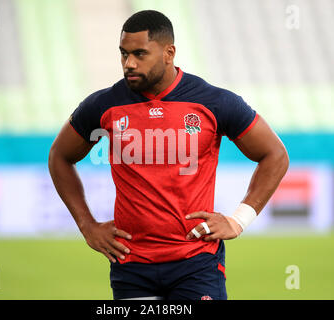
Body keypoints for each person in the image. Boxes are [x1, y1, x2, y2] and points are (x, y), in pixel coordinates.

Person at [48, 10, 289, 300]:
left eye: (139, 54)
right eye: (123, 54)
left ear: (169, 52)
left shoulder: (213, 102)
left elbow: (275, 154)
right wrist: (87, 225)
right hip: (131, 265)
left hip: (197, 264)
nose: (129, 64)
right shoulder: (104, 105)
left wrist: (239, 219)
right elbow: (59, 156)